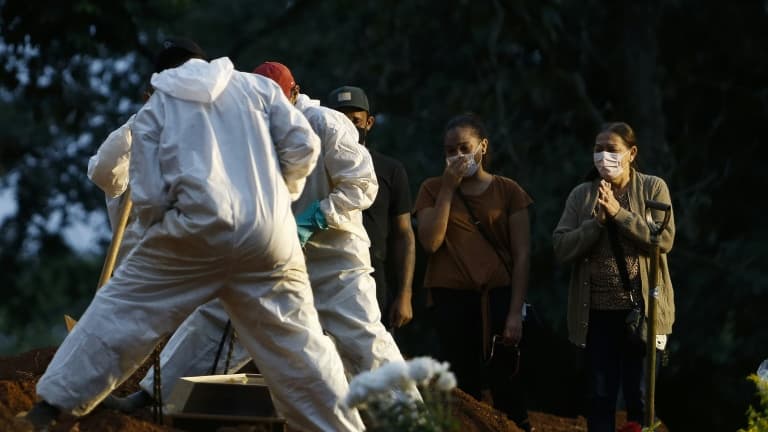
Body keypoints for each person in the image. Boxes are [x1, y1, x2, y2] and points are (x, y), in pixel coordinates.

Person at [19, 38, 365, 432]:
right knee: (301, 347)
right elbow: (303, 147)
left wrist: (165, 230)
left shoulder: (157, 108)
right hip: (271, 235)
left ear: (162, 75)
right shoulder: (259, 89)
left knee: (120, 309)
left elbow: (147, 195)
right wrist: (277, 196)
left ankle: (47, 411)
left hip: (193, 229)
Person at [104, 61, 410, 414]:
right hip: (274, 253)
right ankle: (150, 399)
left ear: (294, 93)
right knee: (218, 315)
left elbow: (362, 184)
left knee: (361, 335)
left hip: (334, 259)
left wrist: (315, 218)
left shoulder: (327, 124)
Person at [552, 121, 676, 432]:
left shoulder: (653, 188)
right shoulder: (582, 195)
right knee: (600, 397)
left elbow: (662, 241)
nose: (604, 156)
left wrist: (619, 215)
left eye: (612, 150)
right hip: (595, 316)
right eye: (598, 149)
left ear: (631, 153)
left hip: (642, 314)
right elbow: (561, 247)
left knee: (641, 399)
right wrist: (596, 223)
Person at [413, 112, 534, 431]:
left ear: (482, 147)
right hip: (451, 299)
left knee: (506, 377)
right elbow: (430, 242)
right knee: (461, 382)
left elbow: (522, 254)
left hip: (498, 295)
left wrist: (513, 313)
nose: (456, 156)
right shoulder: (431, 188)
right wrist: (448, 190)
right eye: (450, 150)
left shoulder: (508, 191)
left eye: (464, 147)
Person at [327, 85, 415, 330]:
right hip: (327, 274)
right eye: (341, 120)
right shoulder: (314, 168)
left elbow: (404, 234)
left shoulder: (390, 170)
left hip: (373, 278)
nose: (349, 126)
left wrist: (404, 294)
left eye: (355, 120)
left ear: (369, 123)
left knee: (374, 359)